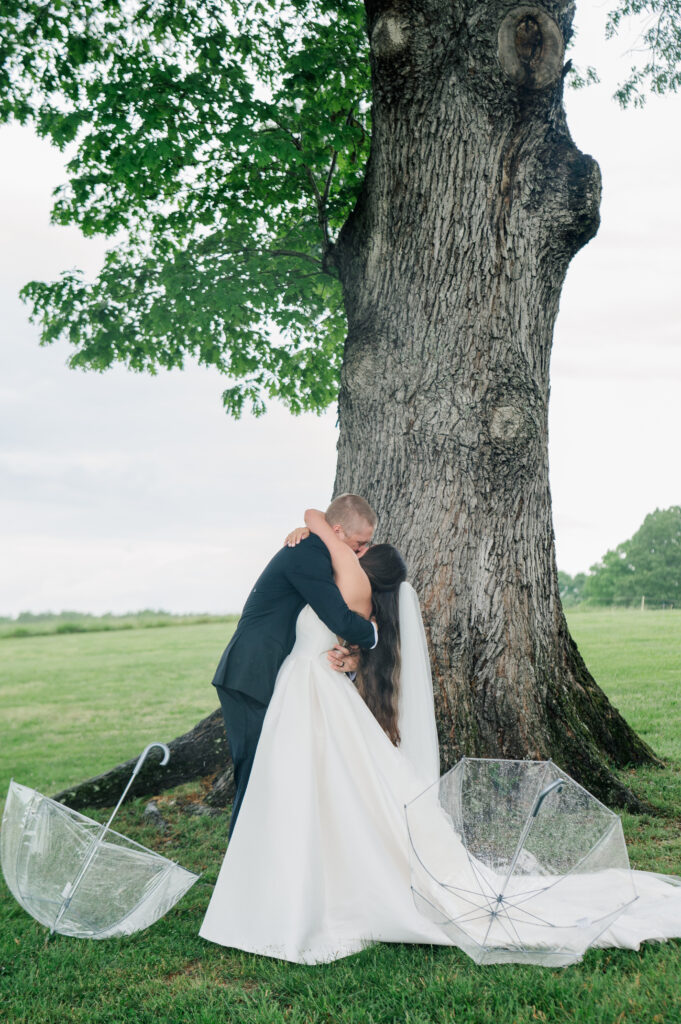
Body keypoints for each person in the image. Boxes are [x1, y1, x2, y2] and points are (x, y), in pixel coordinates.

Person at [200, 509, 681, 964]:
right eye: (359, 542)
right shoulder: (337, 566)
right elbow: (333, 620)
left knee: (303, 785)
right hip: (304, 689)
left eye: (365, 547)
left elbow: (343, 615)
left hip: (306, 691)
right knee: (308, 786)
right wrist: (314, 533)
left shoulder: (345, 569)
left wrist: (317, 527)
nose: (360, 549)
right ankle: (275, 878)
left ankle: (281, 886)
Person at [211, 494, 378, 837]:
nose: (362, 552)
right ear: (337, 531)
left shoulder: (316, 548)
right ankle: (242, 854)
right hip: (250, 673)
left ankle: (260, 848)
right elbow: (340, 619)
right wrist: (375, 634)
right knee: (255, 770)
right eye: (360, 543)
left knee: (269, 766)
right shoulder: (308, 554)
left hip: (266, 671)